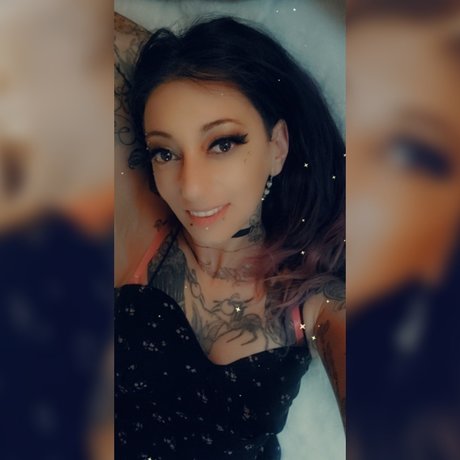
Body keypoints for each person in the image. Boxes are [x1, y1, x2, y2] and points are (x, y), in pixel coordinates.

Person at [115, 15, 345, 460]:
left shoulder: (316, 302)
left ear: (277, 148)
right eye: (165, 152)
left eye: (222, 143)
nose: (190, 187)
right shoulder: (137, 237)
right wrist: (176, 58)